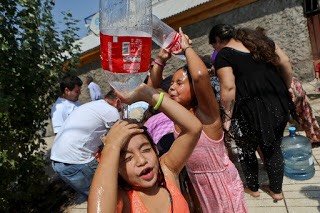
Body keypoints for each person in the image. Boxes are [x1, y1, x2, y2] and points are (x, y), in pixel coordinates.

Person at [147, 28, 247, 213]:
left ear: (194, 88)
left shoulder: (207, 115)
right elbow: (151, 89)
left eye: (179, 83)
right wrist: (161, 59)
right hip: (196, 183)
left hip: (220, 183)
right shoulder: (178, 114)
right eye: (171, 84)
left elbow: (200, 76)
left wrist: (186, 48)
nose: (172, 88)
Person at [209, 24, 293, 201]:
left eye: (214, 45)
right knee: (273, 147)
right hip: (278, 102)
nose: (215, 49)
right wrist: (285, 88)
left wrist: (227, 117)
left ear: (217, 40)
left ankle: (253, 188)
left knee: (247, 149)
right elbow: (285, 62)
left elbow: (228, 87)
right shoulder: (262, 42)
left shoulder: (225, 54)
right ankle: (276, 190)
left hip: (249, 109)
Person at [88, 84, 202, 212]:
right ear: (117, 169)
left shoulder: (167, 172)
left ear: (155, 149)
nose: (141, 161)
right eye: (127, 158)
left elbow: (194, 128)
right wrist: (111, 147)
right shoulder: (123, 200)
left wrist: (148, 94)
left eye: (146, 149)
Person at [50, 90, 121, 198]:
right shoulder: (111, 110)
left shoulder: (92, 105)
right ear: (118, 101)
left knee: (93, 197)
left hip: (58, 161)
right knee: (108, 197)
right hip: (76, 161)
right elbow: (119, 139)